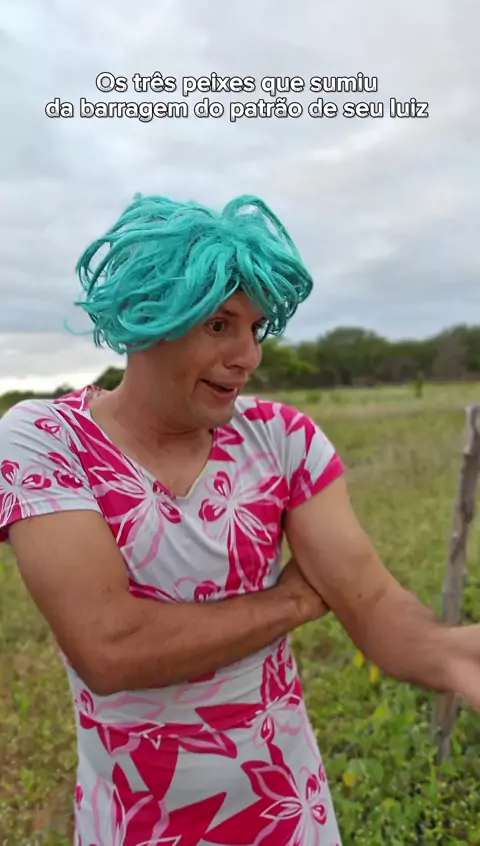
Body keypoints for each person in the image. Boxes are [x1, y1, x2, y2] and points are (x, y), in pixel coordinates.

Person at [0, 193, 479, 846]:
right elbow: (110, 648)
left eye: (255, 328)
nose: (248, 356)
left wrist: (452, 654)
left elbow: (370, 601)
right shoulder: (48, 441)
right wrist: (294, 600)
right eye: (220, 324)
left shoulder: (283, 440)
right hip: (135, 822)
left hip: (287, 813)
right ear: (147, 317)